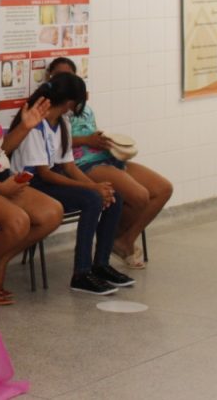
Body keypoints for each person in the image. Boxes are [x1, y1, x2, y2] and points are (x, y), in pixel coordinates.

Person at [9, 73, 134, 295]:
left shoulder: (62, 122)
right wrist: (92, 188)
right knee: (92, 199)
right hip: (29, 185)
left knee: (113, 197)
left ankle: (101, 265)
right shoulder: (36, 125)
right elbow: (45, 174)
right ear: (70, 102)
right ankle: (81, 274)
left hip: (49, 180)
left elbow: (69, 166)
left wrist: (99, 188)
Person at [48, 57, 173, 269]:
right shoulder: (50, 109)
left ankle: (123, 239)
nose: (66, 81)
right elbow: (54, 143)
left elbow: (89, 133)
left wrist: (106, 141)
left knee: (163, 189)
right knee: (140, 196)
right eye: (60, 76)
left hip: (105, 157)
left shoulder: (85, 107)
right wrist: (86, 140)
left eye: (69, 76)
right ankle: (111, 238)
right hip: (82, 164)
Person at [0, 71, 62, 305]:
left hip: (1, 178)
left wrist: (25, 126)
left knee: (52, 213)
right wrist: (1, 189)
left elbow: (1, 150)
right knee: (18, 222)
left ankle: (0, 261)